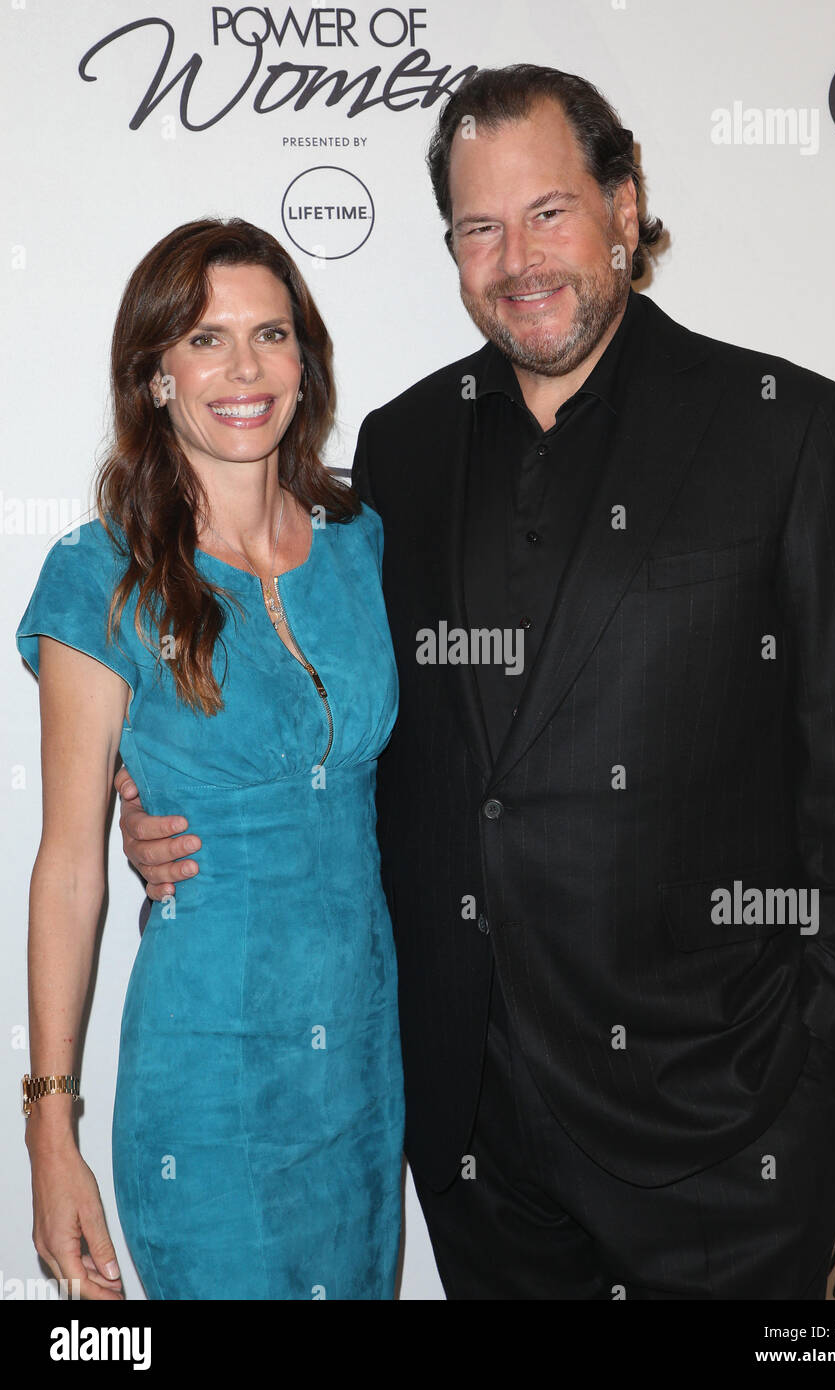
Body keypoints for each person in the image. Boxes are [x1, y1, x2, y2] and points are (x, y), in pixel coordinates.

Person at [117, 67, 835, 1299]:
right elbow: (339, 711)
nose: (518, 260)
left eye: (548, 212)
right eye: (478, 229)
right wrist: (173, 802)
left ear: (622, 203)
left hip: (724, 1124)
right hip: (478, 1134)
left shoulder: (787, 429)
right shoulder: (403, 447)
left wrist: (824, 1058)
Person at [16, 218, 404, 1301]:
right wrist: (51, 1134)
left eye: (270, 334)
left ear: (303, 360)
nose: (244, 369)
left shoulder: (363, 541)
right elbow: (71, 866)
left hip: (364, 1065)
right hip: (209, 1073)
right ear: (154, 376)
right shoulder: (99, 576)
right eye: (204, 338)